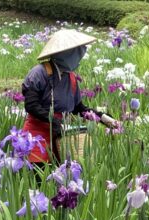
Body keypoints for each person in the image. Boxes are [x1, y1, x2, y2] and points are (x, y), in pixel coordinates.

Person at [22, 29, 114, 166]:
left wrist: (101, 117)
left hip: (62, 136)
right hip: (38, 134)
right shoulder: (39, 73)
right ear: (65, 53)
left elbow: (78, 108)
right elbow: (31, 106)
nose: (80, 55)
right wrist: (53, 121)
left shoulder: (70, 77)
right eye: (77, 52)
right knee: (39, 178)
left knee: (61, 178)